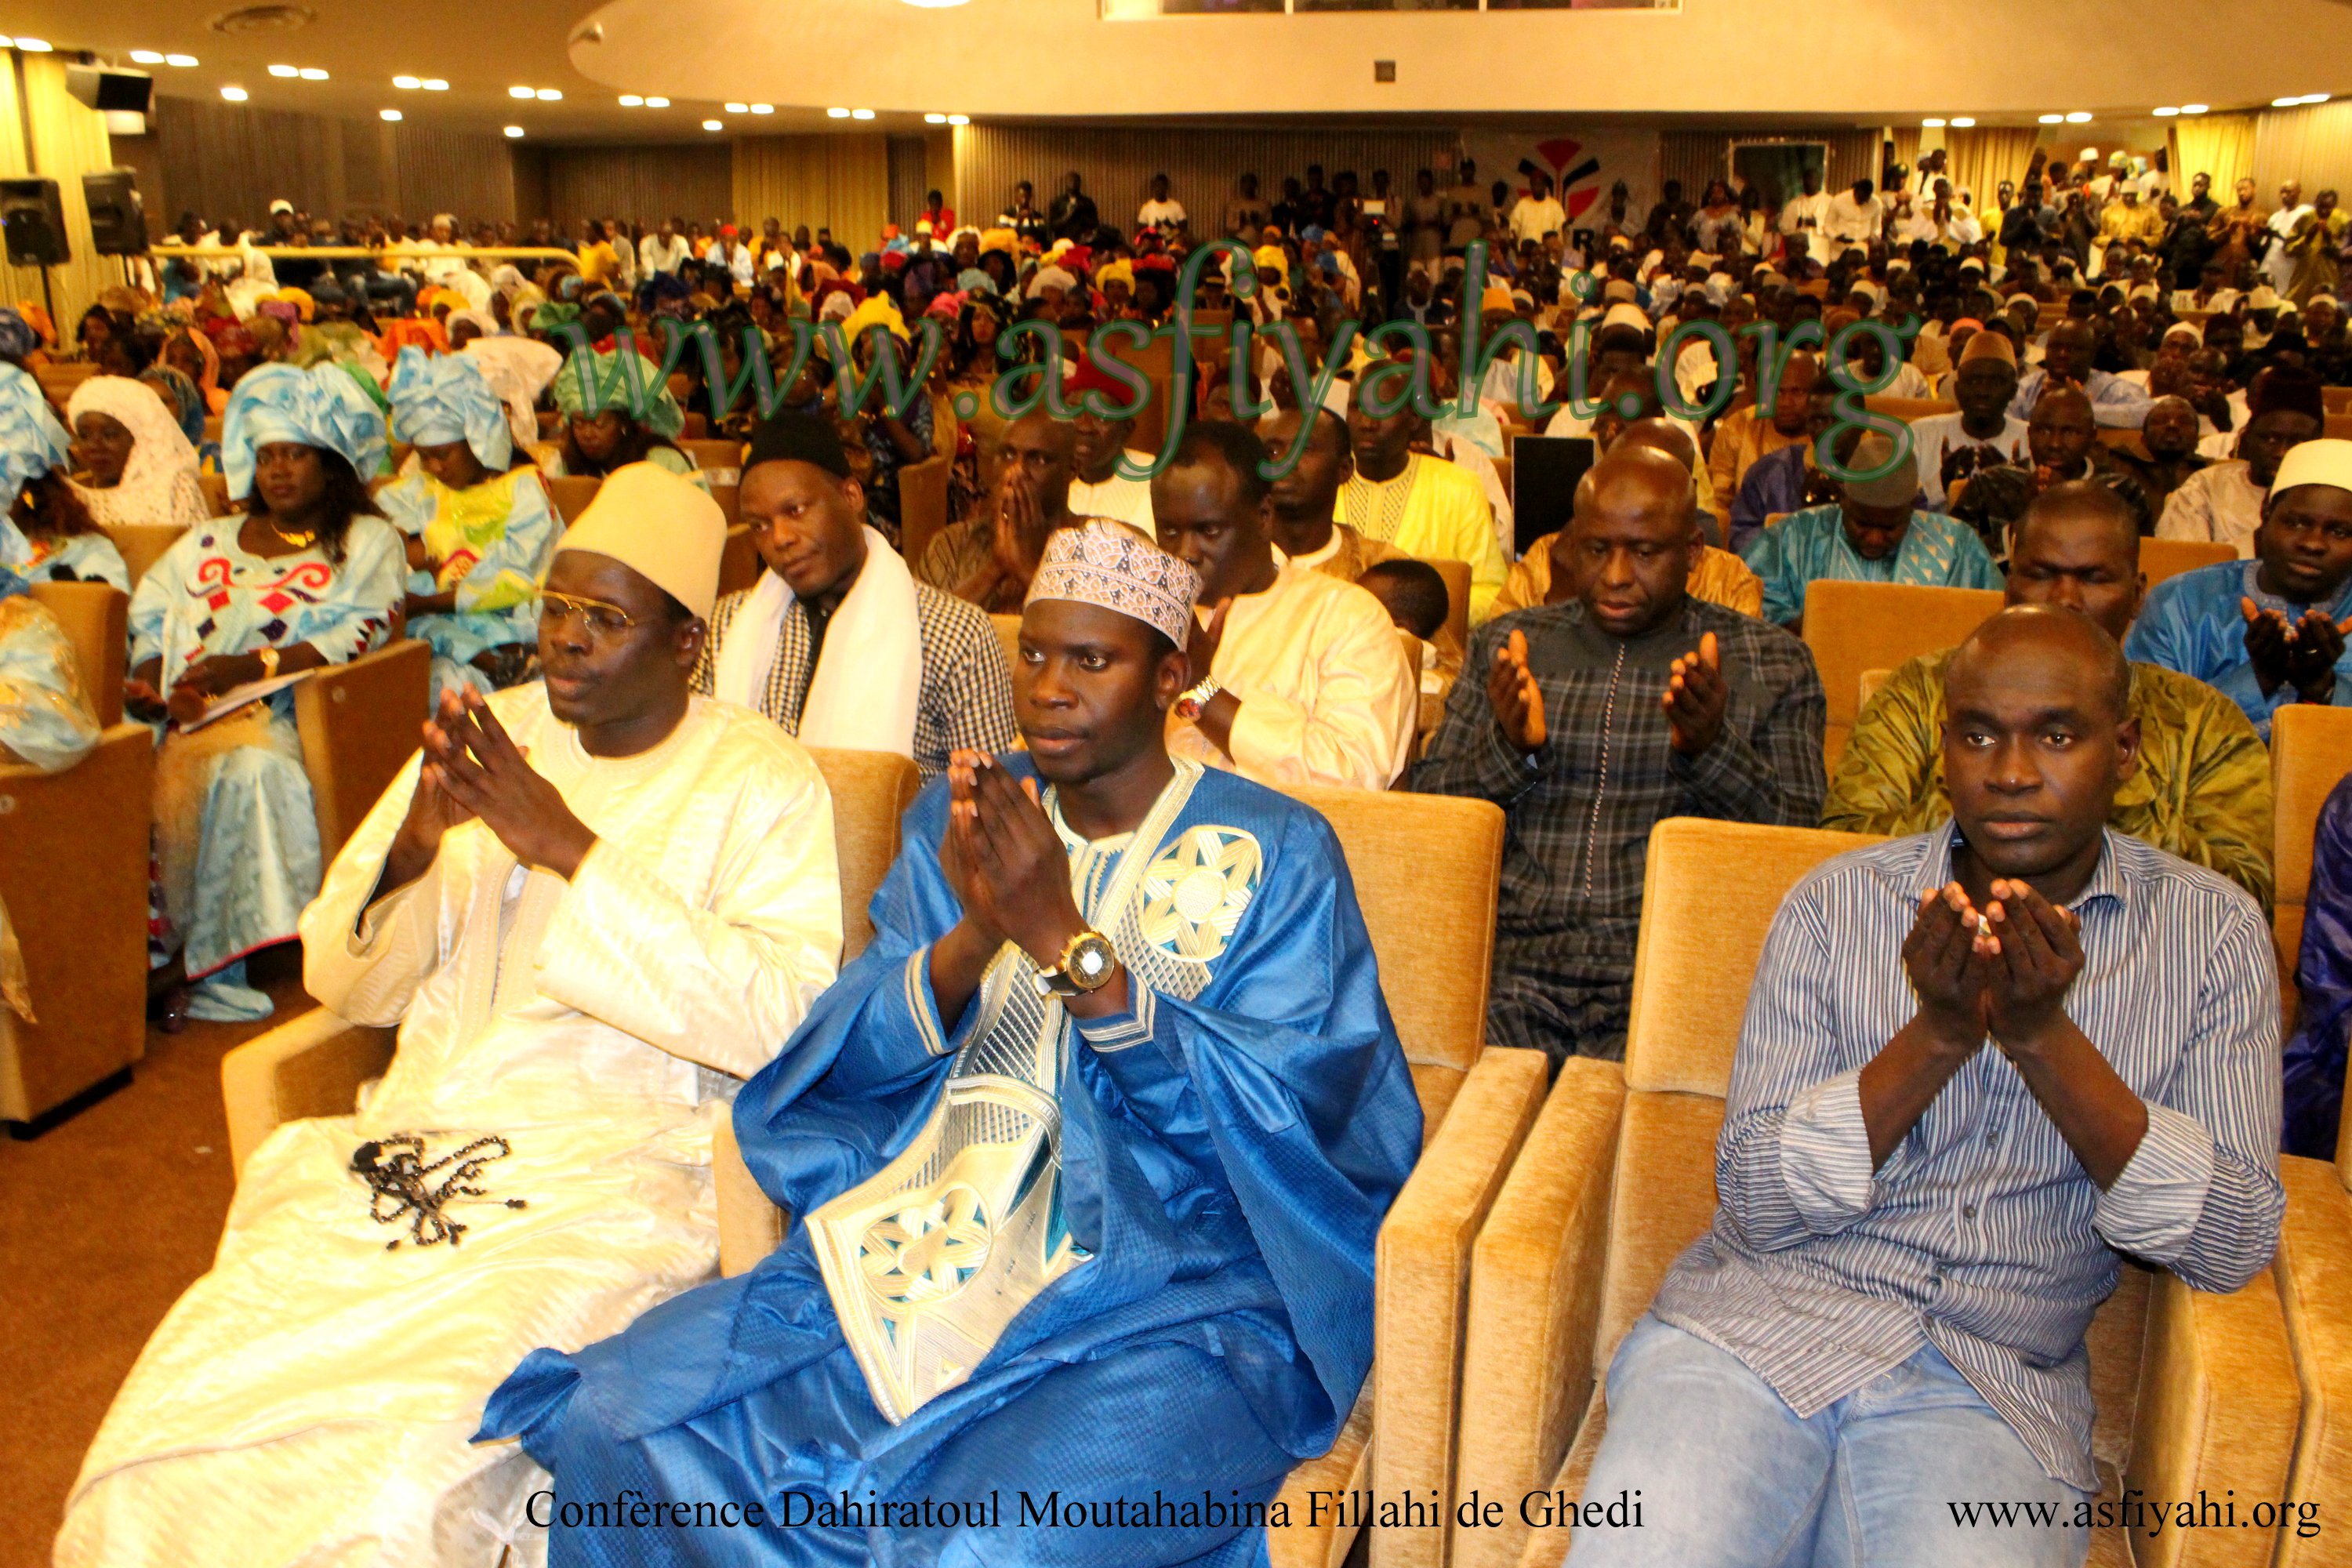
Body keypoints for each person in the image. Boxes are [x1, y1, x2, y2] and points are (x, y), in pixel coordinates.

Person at [476, 517, 1421, 1568]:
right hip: (923, 1242)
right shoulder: (966, 815)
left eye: (1093, 661)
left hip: (1181, 1299)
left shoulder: (1283, 850)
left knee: (976, 1546)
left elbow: (1300, 1135)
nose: (1050, 687)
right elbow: (841, 1064)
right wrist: (975, 934)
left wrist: (1071, 948)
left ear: (1170, 680)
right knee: (616, 1417)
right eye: (1036, 653)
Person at [60, 463, 845, 1568]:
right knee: (170, 1434)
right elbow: (350, 983)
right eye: (557, 608)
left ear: (683, 645)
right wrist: (419, 847)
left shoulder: (762, 779)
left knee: (406, 1472)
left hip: (611, 1170)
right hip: (415, 1144)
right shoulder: (497, 732)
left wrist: (568, 848)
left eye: (606, 618)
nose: (566, 639)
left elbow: (786, 1020)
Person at [1567, 605, 2281, 1568]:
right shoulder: (1835, 903)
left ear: (2126, 751)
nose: (2012, 771)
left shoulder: (2213, 937)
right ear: (1944, 746)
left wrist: (2043, 1039)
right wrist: (1939, 1035)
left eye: (2057, 735)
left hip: (1995, 1387)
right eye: (1978, 733)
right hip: (1750, 1339)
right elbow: (1756, 1196)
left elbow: (2232, 1238)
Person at [1414, 446, 1826, 1065]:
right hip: (1513, 970)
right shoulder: (1511, 645)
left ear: (1692, 553)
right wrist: (1509, 749)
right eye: (1597, 549)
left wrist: (1713, 749)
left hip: (1673, 975)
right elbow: (1431, 816)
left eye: (1644, 552)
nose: (1615, 575)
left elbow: (1798, 841)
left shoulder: (1768, 662)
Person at [1827, 483, 2273, 906]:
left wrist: (2101, 786)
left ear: (2138, 595)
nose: (2065, 599)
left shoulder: (2202, 719)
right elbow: (1844, 848)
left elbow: (2247, 892)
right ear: (2008, 586)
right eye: (2041, 575)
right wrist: (1983, 791)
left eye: (2094, 578)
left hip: (2143, 957)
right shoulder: (1921, 691)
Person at [126, 362, 405, 1023]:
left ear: (330, 465)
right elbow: (150, 612)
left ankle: (212, 962)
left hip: (290, 713)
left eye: (296, 455)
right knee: (98, 763)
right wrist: (144, 675)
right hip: (176, 708)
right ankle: (133, 957)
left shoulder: (365, 541)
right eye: (267, 455)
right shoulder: (207, 541)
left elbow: (360, 632)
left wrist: (249, 668)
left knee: (250, 769)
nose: (278, 470)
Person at [704, 412, 1015, 782]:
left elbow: (993, 798)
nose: (780, 538)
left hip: (903, 838)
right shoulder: (728, 625)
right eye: (760, 525)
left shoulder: (954, 633)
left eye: (795, 510)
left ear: (851, 496)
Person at [1152, 421, 1417, 789]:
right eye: (1169, 532)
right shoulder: (1143, 617)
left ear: (1263, 517)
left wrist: (1202, 694)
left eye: (1208, 531)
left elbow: (1351, 779)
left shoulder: (1346, 617)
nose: (1185, 554)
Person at [2126, 437, 2352, 740]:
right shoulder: (2180, 602)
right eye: (2297, 523)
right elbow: (2146, 732)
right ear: (2266, 515)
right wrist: (2258, 677)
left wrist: (2325, 688)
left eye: (2339, 532)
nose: (2312, 543)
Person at [379, 347, 560, 701]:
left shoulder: (524, 489)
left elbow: (517, 579)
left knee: (443, 670)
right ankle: (491, 663)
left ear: (477, 441)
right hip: (439, 624)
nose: (433, 468)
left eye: (443, 454)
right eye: (424, 457)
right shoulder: (424, 489)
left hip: (511, 621)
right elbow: (381, 531)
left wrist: (430, 599)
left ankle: (499, 662)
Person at [1745, 431, 2002, 629]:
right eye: (1862, 524)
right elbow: (1745, 606)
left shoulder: (1958, 546)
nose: (1875, 539)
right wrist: (1811, 625)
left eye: (1891, 527)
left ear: (1912, 508)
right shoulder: (1795, 537)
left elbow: (1994, 621)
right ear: (1843, 499)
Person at [1339, 377, 1506, 620]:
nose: (1367, 423)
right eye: (1357, 408)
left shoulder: (1459, 487)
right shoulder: (1324, 485)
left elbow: (1493, 593)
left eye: (1383, 409)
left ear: (1414, 418)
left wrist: (1424, 616)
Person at [1951, 387, 2154, 562]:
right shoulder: (1990, 483)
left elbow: (2132, 565)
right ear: (2029, 433)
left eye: (2070, 433)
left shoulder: (2121, 491)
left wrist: (2064, 503)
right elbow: (1961, 562)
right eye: (2045, 431)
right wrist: (2027, 518)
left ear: (2092, 438)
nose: (2055, 444)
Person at [916, 408, 1081, 612]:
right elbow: (924, 631)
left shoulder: (1097, 549)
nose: (1016, 471)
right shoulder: (950, 546)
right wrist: (995, 568)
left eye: (1038, 459)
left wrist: (1029, 569)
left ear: (1072, 470)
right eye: (1008, 455)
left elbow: (1088, 633)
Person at [2158, 367, 2326, 555]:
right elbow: (2184, 566)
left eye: (2298, 442)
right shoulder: (2206, 487)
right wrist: (2257, 541)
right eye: (2270, 439)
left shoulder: (2338, 499)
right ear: (2248, 438)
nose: (2281, 452)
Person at [1258, 397, 1406, 583]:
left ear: (1344, 469)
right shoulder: (1228, 563)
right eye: (1272, 452)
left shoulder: (1380, 568)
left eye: (1305, 449)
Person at [64, 373, 212, 532]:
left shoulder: (174, 489)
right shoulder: (70, 496)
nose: (95, 446)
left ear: (140, 438)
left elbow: (200, 551)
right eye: (84, 436)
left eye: (110, 434)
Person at [1910, 331, 2031, 510]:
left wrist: (2011, 486)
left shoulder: (2031, 439)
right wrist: (1940, 483)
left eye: (1996, 383)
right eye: (1974, 381)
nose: (1983, 392)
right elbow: (1894, 509)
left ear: (2013, 391)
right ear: (1957, 389)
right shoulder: (1920, 435)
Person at [550, 345, 702, 485]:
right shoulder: (566, 468)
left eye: (598, 423)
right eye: (579, 423)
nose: (588, 434)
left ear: (623, 423)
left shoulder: (664, 463)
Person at [2009, 318, 2153, 429]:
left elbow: (2147, 412)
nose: (2062, 354)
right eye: (2055, 347)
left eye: (2073, 349)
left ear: (2091, 355)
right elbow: (2005, 418)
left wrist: (2080, 406)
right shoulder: (2029, 385)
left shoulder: (2109, 386)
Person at [1064, 358, 1156, 529]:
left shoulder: (1154, 477)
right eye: (1075, 412)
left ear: (1127, 429)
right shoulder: (1050, 474)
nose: (1085, 426)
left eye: (1101, 416)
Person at [2114, 394, 2212, 519]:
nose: (2172, 425)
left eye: (2184, 422)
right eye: (2160, 420)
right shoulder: (2118, 466)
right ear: (2143, 439)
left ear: (2197, 439)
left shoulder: (2211, 476)